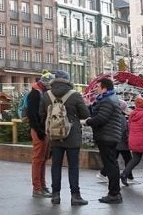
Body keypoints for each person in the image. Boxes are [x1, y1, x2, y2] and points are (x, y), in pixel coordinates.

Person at [39, 70, 90, 206]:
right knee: (73, 166)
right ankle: (75, 196)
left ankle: (55, 195)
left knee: (56, 165)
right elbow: (85, 114)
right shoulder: (75, 95)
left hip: (55, 136)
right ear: (68, 80)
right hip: (72, 136)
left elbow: (41, 115)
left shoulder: (46, 95)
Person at [84, 77, 125, 204]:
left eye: (98, 86)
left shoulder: (107, 100)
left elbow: (101, 118)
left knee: (110, 165)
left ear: (104, 88)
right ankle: (114, 193)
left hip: (107, 136)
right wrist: (89, 107)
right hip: (109, 136)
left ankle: (114, 193)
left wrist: (87, 122)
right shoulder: (108, 99)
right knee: (111, 164)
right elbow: (99, 113)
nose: (96, 88)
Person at [26, 71, 54, 197]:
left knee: (42, 159)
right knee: (38, 159)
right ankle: (37, 187)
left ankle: (42, 185)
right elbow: (32, 114)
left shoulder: (41, 92)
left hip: (42, 130)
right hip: (39, 130)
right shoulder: (35, 94)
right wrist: (39, 130)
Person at [115, 99, 135, 184]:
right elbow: (123, 130)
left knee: (115, 158)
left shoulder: (117, 115)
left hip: (118, 142)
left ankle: (129, 174)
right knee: (128, 159)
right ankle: (127, 174)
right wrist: (127, 138)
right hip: (122, 142)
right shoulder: (122, 117)